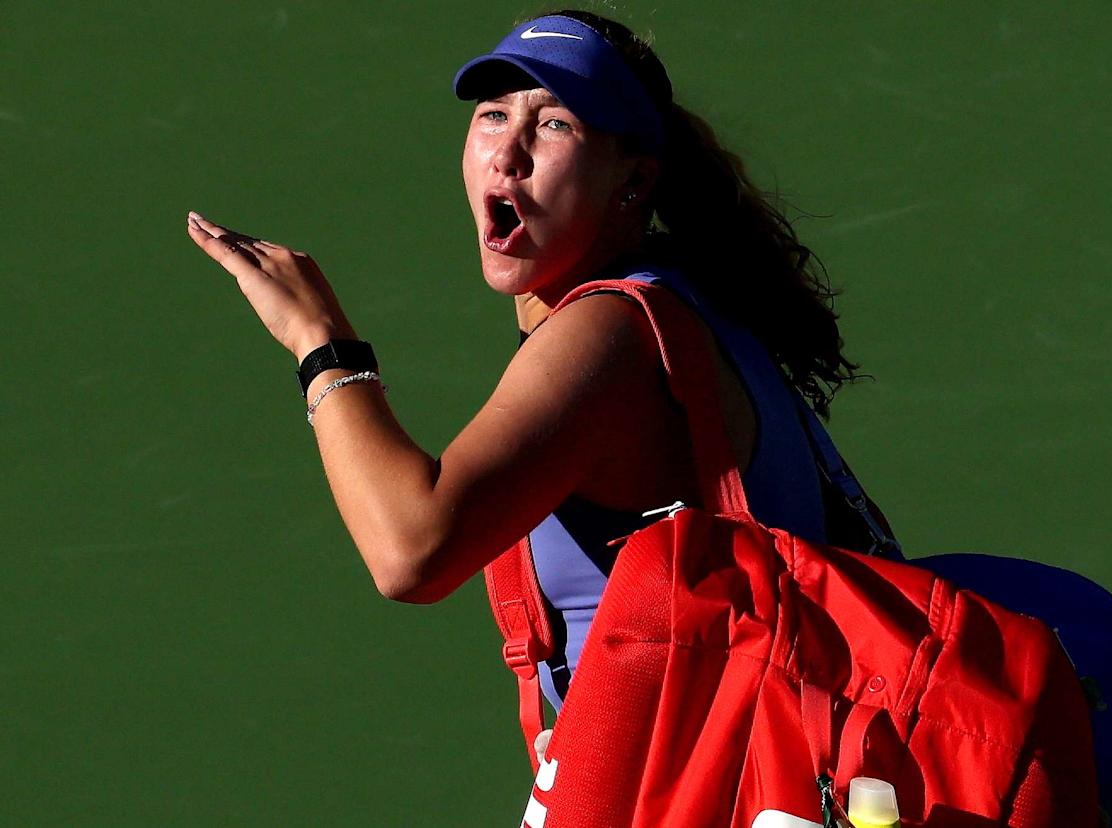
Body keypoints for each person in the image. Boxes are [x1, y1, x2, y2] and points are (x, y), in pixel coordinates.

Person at [186, 9, 892, 716]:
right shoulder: (679, 298)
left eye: (555, 124)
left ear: (633, 182)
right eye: (493, 115)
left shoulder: (610, 333)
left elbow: (411, 552)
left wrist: (320, 340)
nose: (508, 152)